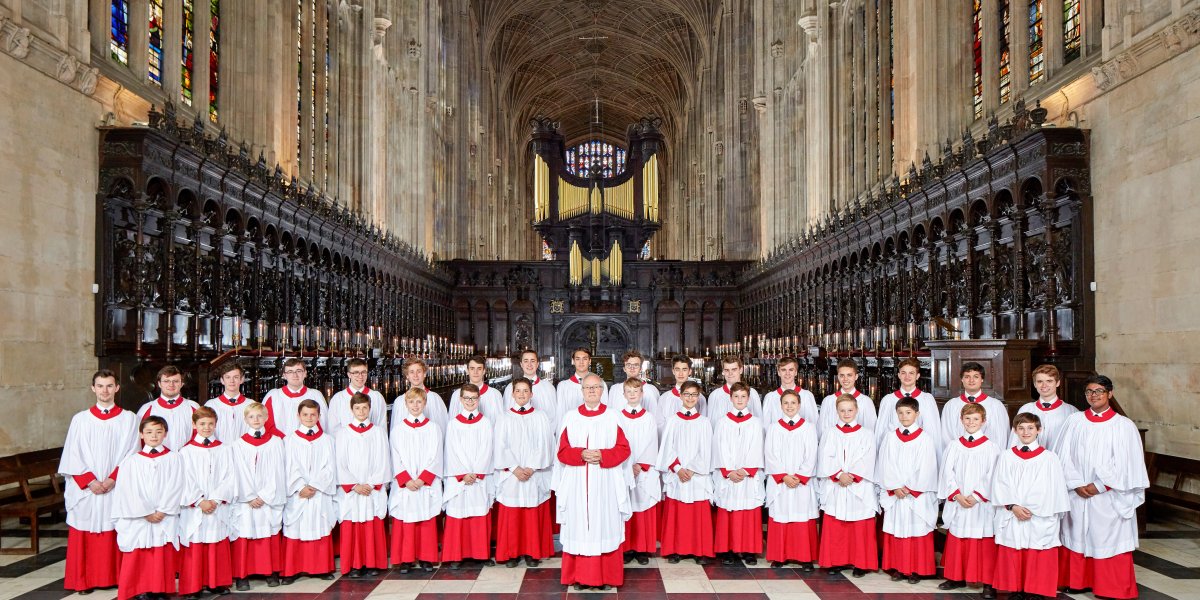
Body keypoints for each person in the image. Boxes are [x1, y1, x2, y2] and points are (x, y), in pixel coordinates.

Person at [1057, 375, 1149, 600]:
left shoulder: (1123, 426)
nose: (1093, 396)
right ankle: (1077, 582)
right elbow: (1062, 455)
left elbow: (1129, 463)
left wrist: (1100, 485)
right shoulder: (1075, 421)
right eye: (1089, 392)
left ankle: (1110, 586)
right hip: (1077, 492)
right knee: (1075, 533)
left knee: (1106, 537)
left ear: (1110, 393)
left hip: (1108, 495)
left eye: (1098, 391)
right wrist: (1076, 483)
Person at [59, 370, 139, 594]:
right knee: (86, 529)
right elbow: (72, 454)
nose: (105, 390)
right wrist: (90, 481)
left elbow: (132, 453)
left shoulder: (129, 419)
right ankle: (84, 581)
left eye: (109, 386)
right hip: (87, 489)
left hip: (116, 486)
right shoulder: (81, 419)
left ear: (117, 388)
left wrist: (113, 478)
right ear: (93, 388)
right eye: (100, 386)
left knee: (117, 529)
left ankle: (116, 577)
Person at [556, 373, 632, 591]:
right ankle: (579, 577)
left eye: (596, 387)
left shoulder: (613, 416)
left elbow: (624, 449)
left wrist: (602, 455)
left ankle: (606, 576)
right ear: (581, 392)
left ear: (602, 391)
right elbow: (562, 451)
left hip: (605, 480)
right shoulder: (570, 417)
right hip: (577, 481)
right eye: (587, 388)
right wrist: (580, 454)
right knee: (579, 527)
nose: (591, 391)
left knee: (604, 525)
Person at [990, 413, 1070, 600]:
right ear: (1015, 430)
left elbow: (1054, 489)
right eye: (1021, 428)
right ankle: (1016, 588)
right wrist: (1013, 506)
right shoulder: (1006, 456)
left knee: (1037, 551)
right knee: (1014, 549)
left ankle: (1036, 590)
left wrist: (1032, 508)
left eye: (1030, 428)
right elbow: (1000, 484)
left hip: (1039, 514)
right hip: (1013, 512)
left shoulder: (1050, 458)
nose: (1026, 432)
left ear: (1039, 430)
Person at [111, 416, 186, 600]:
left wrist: (162, 510)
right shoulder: (131, 462)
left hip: (164, 515)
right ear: (141, 434)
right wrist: (145, 512)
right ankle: (139, 588)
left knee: (161, 553)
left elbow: (176, 485)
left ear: (165, 434)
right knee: (139, 552)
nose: (154, 436)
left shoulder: (174, 458)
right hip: (139, 517)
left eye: (159, 432)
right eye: (149, 432)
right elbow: (127, 490)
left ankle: (160, 589)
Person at [938, 402, 1000, 598]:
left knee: (983, 540)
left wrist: (975, 496)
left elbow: (993, 475)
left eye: (975, 419)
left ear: (984, 421)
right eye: (967, 418)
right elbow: (947, 472)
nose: (971, 422)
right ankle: (956, 577)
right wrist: (956, 494)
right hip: (959, 500)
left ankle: (988, 583)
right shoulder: (954, 446)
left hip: (980, 504)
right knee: (959, 537)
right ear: (961, 420)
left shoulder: (991, 447)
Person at [178, 407, 241, 599]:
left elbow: (230, 477)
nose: (207, 427)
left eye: (210, 424)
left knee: (217, 542)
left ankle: (217, 582)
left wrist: (214, 499)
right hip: (196, 506)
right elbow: (183, 479)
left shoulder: (224, 449)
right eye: (202, 424)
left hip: (216, 505)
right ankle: (192, 585)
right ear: (194, 425)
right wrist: (199, 501)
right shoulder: (186, 451)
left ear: (216, 424)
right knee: (195, 544)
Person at [493, 377, 555, 567]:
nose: (521, 394)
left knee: (531, 513)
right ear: (512, 394)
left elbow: (545, 444)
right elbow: (500, 445)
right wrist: (514, 468)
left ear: (531, 394)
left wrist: (531, 467)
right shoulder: (504, 417)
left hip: (533, 473)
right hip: (512, 474)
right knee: (512, 515)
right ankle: (511, 553)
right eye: (518, 391)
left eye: (525, 391)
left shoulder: (540, 416)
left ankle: (532, 552)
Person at [877, 397, 939, 584]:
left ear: (917, 414)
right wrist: (895, 486)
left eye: (909, 413)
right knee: (897, 529)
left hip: (915, 495)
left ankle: (916, 569)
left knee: (916, 530)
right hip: (896, 494)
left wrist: (910, 487)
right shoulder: (890, 436)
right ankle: (898, 567)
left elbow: (927, 467)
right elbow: (885, 463)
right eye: (901, 413)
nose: (904, 416)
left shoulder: (925, 438)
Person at [817, 394, 879, 577]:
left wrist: (852, 476)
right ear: (837, 411)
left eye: (850, 410)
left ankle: (861, 562)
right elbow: (824, 457)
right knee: (836, 525)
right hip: (836, 484)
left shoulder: (866, 434)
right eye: (842, 410)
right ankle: (836, 561)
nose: (846, 414)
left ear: (857, 410)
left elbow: (868, 458)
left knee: (859, 525)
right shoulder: (830, 432)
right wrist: (838, 475)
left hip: (858, 486)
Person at [656, 380, 714, 565]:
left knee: (698, 514)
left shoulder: (704, 422)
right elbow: (667, 447)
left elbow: (707, 450)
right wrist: (678, 468)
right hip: (678, 474)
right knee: (677, 513)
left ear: (699, 398)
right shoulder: (673, 420)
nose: (690, 398)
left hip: (697, 475)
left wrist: (691, 468)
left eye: (694, 395)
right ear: (680, 396)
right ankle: (675, 549)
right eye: (686, 394)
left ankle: (700, 550)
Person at [229, 402, 286, 590]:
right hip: (246, 500)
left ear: (266, 418)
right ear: (245, 419)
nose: (256, 420)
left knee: (268, 532)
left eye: (259, 416)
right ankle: (242, 575)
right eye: (252, 417)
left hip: (267, 499)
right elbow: (238, 472)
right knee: (245, 533)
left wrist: (264, 495)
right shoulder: (238, 445)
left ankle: (270, 572)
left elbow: (277, 471)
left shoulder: (276, 442)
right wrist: (249, 496)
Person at [335, 392, 392, 577]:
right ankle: (354, 565)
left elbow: (384, 460)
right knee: (352, 524)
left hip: (371, 489)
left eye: (364, 408)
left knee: (371, 524)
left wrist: (371, 483)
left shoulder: (378, 432)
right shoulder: (343, 433)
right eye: (357, 408)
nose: (361, 411)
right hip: (352, 490)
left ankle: (372, 562)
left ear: (370, 409)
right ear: (351, 409)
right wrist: (354, 485)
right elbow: (340, 463)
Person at [281, 399, 337, 584]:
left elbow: (330, 467)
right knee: (296, 528)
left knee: (319, 525)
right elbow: (287, 467)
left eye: (313, 414)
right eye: (305, 414)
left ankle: (321, 568)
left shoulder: (327, 440)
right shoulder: (289, 440)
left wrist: (314, 485)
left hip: (318, 492)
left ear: (319, 416)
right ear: (298, 416)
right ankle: (292, 569)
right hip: (297, 493)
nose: (309, 418)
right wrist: (300, 486)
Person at [388, 387, 443, 574]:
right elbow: (395, 457)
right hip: (406, 484)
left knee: (426, 520)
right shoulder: (398, 430)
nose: (415, 405)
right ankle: (406, 559)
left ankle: (427, 558)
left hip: (424, 483)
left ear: (425, 403)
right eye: (411, 402)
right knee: (406, 520)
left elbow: (436, 456)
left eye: (419, 402)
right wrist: (406, 479)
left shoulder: (433, 428)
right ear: (406, 404)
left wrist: (423, 479)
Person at [764, 389, 820, 571]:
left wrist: (800, 476)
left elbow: (811, 455)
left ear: (799, 405)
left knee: (802, 518)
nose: (789, 406)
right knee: (781, 516)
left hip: (801, 483)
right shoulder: (773, 428)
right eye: (786, 403)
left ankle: (805, 557)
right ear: (780, 406)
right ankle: (779, 556)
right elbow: (770, 454)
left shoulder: (808, 427)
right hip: (781, 482)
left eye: (793, 403)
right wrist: (783, 476)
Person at [712, 382, 766, 566]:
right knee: (729, 510)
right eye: (736, 396)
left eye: (743, 396)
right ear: (731, 398)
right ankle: (728, 549)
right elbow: (719, 448)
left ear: (749, 399)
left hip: (747, 476)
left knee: (748, 511)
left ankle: (749, 549)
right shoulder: (722, 422)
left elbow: (757, 448)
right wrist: (728, 471)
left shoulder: (755, 423)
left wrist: (745, 471)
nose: (740, 400)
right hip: (728, 476)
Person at [442, 383, 495, 568]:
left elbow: (487, 449)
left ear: (479, 400)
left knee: (479, 513)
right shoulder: (453, 424)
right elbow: (451, 451)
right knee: (459, 515)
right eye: (467, 398)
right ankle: (456, 555)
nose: (470, 402)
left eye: (473, 398)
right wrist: (463, 474)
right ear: (460, 400)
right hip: (460, 479)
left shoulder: (486, 422)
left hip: (479, 477)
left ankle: (481, 553)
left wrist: (476, 472)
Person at [616, 377, 661, 566]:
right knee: (626, 506)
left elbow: (652, 442)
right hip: (624, 469)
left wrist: (639, 465)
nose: (633, 395)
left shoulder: (649, 417)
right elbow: (617, 442)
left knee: (643, 507)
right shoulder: (617, 416)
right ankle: (626, 547)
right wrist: (628, 465)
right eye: (629, 392)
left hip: (643, 470)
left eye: (636, 391)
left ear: (642, 394)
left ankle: (642, 548)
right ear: (624, 394)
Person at [876, 358, 942, 455]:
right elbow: (880, 431)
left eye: (911, 373)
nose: (907, 376)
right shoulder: (888, 400)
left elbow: (933, 432)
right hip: (893, 450)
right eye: (903, 373)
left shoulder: (927, 399)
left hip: (919, 450)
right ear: (899, 375)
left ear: (917, 376)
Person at [1010, 364, 1078, 452]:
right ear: (1035, 384)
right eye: (1039, 381)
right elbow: (1015, 441)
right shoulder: (1025, 409)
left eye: (1049, 381)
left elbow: (1074, 444)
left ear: (1057, 383)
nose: (1044, 385)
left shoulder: (1071, 412)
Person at [941, 362, 1010, 445]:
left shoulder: (996, 406)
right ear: (962, 379)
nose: (971, 380)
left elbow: (1001, 437)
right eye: (967, 377)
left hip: (987, 454)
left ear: (982, 379)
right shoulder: (951, 405)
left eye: (976, 377)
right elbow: (946, 435)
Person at [137, 365, 200, 453]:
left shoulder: (193, 407)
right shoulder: (146, 409)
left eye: (175, 381)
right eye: (166, 381)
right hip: (157, 460)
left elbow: (200, 435)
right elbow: (140, 441)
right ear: (159, 383)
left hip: (186, 459)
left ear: (182, 384)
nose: (171, 384)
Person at [263, 358, 328, 438]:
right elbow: (266, 424)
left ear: (305, 373)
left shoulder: (315, 395)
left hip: (309, 444)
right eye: (290, 372)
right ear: (284, 375)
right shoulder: (273, 396)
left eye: (299, 371)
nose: (295, 375)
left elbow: (324, 425)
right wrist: (285, 441)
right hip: (280, 443)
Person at [606, 351, 663, 430]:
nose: (632, 368)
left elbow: (656, 419)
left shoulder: (651, 390)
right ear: (624, 368)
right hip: (620, 434)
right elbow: (610, 416)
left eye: (636, 365)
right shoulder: (615, 389)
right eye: (628, 365)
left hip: (643, 432)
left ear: (640, 368)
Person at [818, 359, 876, 437]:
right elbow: (822, 430)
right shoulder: (828, 401)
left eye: (849, 375)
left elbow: (871, 430)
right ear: (838, 376)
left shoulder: (866, 401)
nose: (845, 379)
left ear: (856, 376)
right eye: (842, 375)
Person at [327, 358, 387, 434]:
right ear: (349, 374)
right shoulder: (338, 399)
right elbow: (333, 430)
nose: (360, 376)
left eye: (363, 372)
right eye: (356, 372)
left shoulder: (377, 397)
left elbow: (382, 428)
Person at [556, 347, 607, 428]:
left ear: (589, 361)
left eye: (585, 359)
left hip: (596, 428)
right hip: (572, 428)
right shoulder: (563, 386)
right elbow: (560, 413)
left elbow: (604, 408)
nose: (581, 362)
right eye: (578, 359)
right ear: (573, 361)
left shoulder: (600, 383)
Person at [761, 357, 818, 430]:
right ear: (778, 372)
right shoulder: (770, 397)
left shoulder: (807, 396)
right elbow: (766, 427)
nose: (787, 373)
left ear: (796, 372)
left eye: (791, 370)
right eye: (783, 370)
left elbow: (813, 425)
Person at [395, 358, 449, 432]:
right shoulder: (399, 401)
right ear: (407, 375)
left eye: (419, 371)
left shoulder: (435, 398)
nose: (415, 375)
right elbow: (395, 432)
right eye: (411, 372)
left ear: (424, 374)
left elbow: (443, 427)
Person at [505, 350, 558, 424]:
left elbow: (554, 416)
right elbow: (507, 414)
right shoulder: (511, 387)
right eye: (526, 361)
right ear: (521, 364)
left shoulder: (548, 387)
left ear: (537, 364)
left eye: (532, 361)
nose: (529, 364)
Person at [205, 362, 252, 443]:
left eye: (236, 377)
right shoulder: (211, 405)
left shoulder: (251, 405)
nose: (232, 381)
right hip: (219, 451)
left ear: (242, 379)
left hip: (244, 452)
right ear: (222, 380)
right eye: (228, 377)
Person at [705, 356, 763, 420]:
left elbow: (759, 421)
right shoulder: (715, 395)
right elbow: (711, 423)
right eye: (727, 370)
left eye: (734, 369)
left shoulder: (752, 393)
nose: (730, 373)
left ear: (741, 370)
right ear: (723, 372)